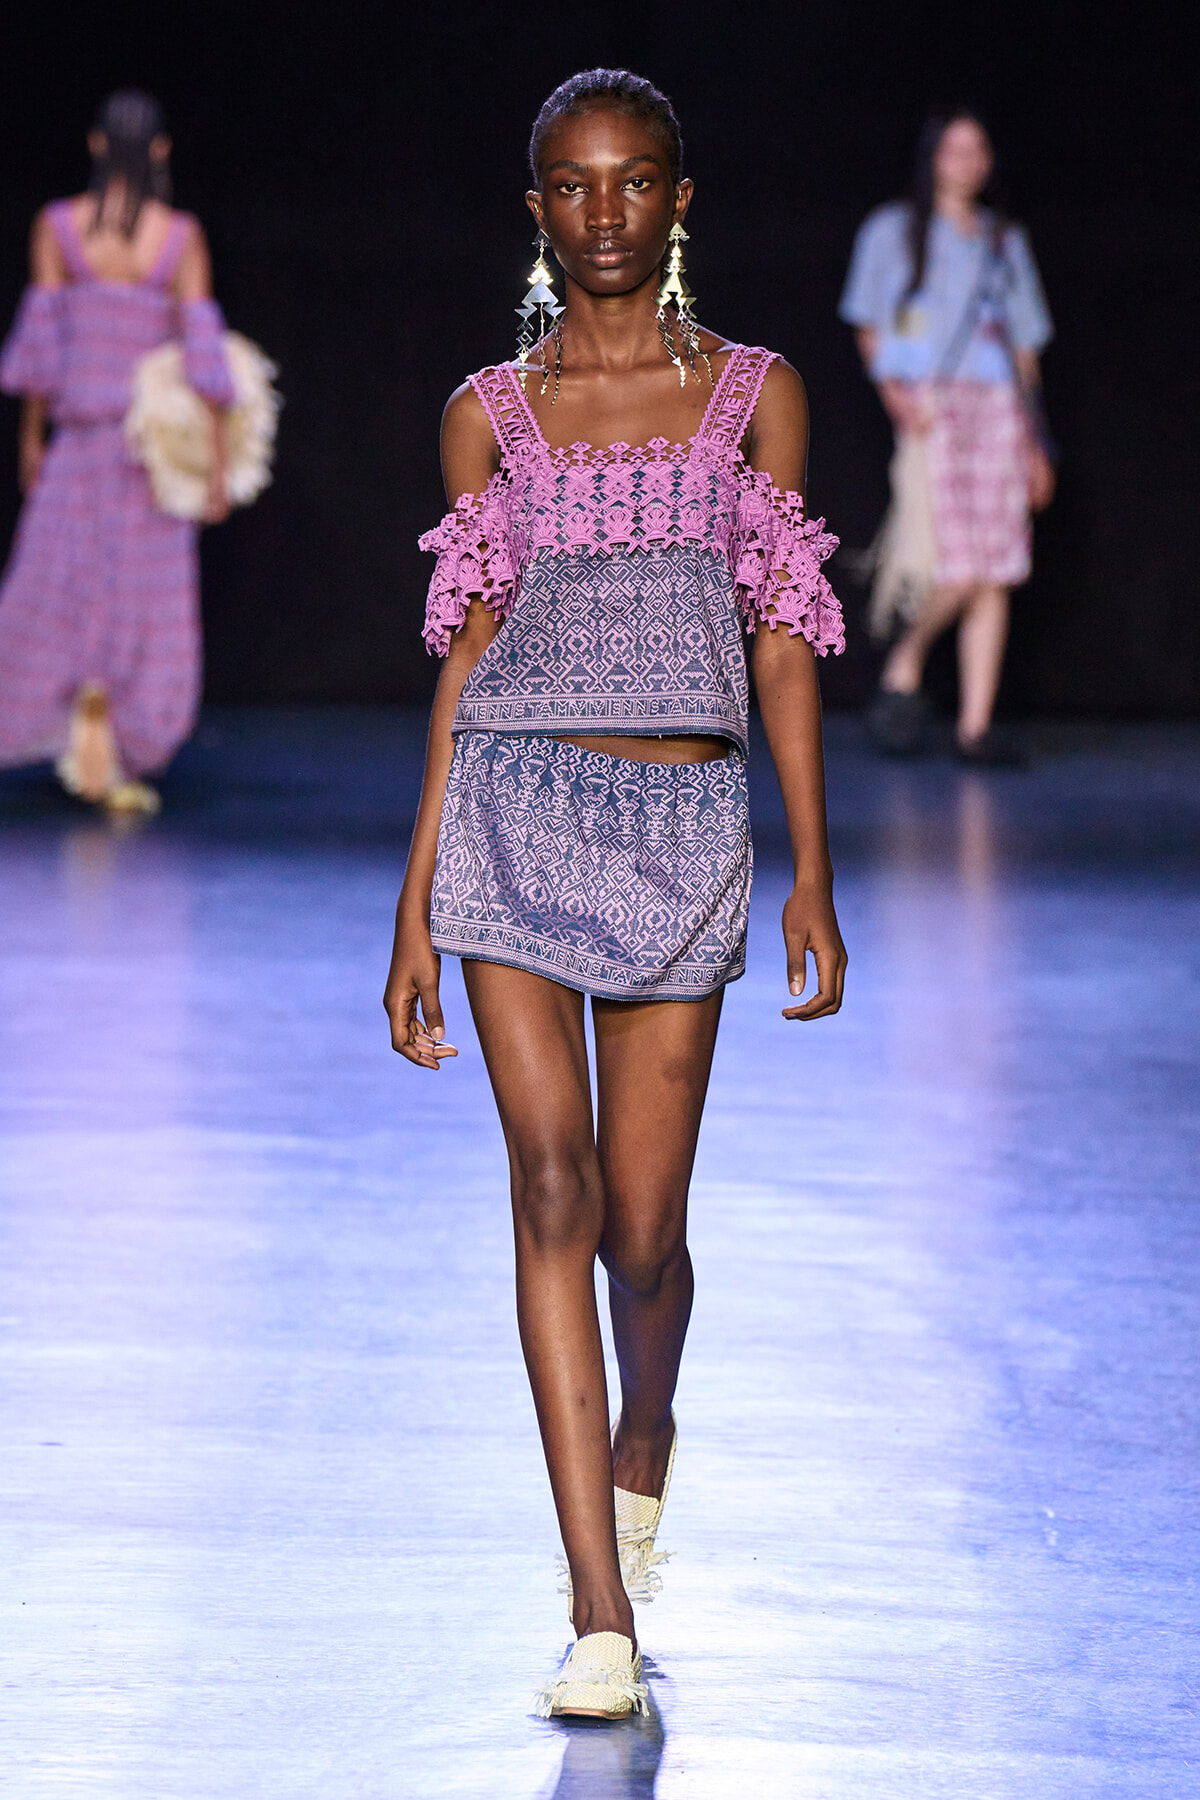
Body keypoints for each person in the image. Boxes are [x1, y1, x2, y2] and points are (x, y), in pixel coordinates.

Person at [383, 69, 847, 1720]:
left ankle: (647, 1429)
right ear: (536, 209)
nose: (601, 213)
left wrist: (812, 865)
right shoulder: (484, 414)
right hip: (514, 811)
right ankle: (597, 1610)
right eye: (571, 187)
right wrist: (419, 890)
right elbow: (469, 653)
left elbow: (783, 641)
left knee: (645, 1235)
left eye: (631, 182)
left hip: (681, 823)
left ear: (678, 200)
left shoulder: (755, 396)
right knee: (554, 1194)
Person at [0, 89, 236, 814]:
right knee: (138, 606)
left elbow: (41, 348)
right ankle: (109, 757)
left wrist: (30, 436)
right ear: (161, 150)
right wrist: (217, 467)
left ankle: (89, 750)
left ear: (98, 146)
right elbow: (205, 362)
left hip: (82, 448)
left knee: (62, 596)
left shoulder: (59, 226)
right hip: (147, 463)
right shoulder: (177, 236)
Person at [840, 109, 1055, 764]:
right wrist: (898, 402)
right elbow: (868, 323)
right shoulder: (894, 230)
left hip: (997, 408)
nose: (967, 161)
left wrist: (1035, 439)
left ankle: (975, 725)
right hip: (935, 406)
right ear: (932, 158)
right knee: (957, 563)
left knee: (998, 569)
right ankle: (904, 666)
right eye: (954, 150)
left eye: (978, 149)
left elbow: (1024, 347)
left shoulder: (1001, 239)